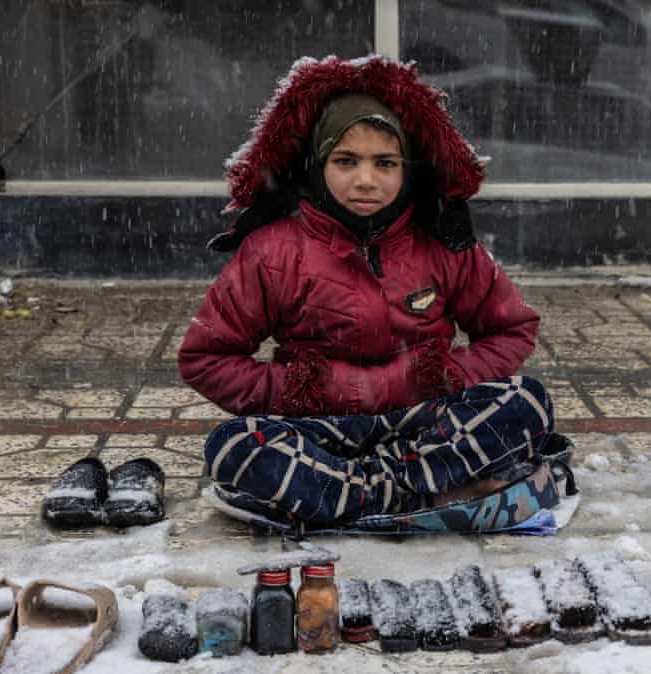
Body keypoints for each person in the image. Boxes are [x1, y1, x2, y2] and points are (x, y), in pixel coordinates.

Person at [179, 55, 565, 526]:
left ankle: (347, 495)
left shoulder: (442, 243)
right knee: (235, 446)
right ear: (319, 164)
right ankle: (423, 491)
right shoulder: (271, 251)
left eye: (385, 163)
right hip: (319, 426)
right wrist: (297, 390)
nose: (365, 180)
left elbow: (513, 327)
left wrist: (444, 375)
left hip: (424, 424)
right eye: (346, 161)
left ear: (407, 170)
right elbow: (205, 357)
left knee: (526, 402)